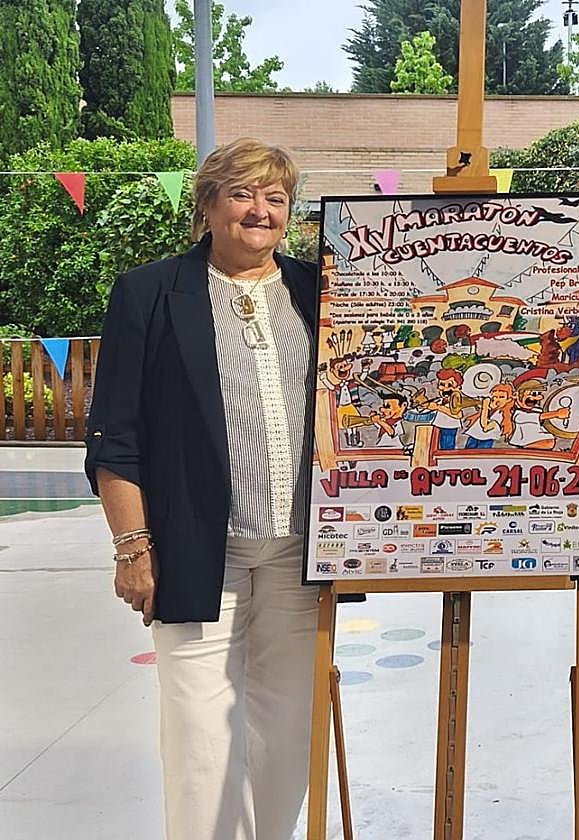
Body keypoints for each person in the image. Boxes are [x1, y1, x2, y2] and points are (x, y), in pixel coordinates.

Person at [85, 138, 320, 840]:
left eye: (275, 198)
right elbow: (115, 435)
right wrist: (132, 547)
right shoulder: (150, 292)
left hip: (301, 555)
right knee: (199, 741)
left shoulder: (319, 288)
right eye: (244, 194)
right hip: (198, 552)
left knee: (287, 733)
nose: (261, 211)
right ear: (209, 204)